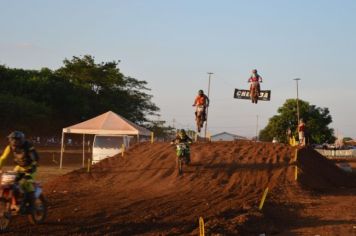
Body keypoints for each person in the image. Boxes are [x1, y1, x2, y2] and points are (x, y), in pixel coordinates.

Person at [0, 131, 39, 214]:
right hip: (19, 167)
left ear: (21, 140)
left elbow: (35, 159)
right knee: (9, 182)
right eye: (12, 139)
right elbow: (3, 158)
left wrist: (31, 168)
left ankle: (32, 206)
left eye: (16, 140)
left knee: (26, 183)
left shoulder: (28, 146)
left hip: (30, 167)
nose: (14, 142)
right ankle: (16, 201)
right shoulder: (10, 147)